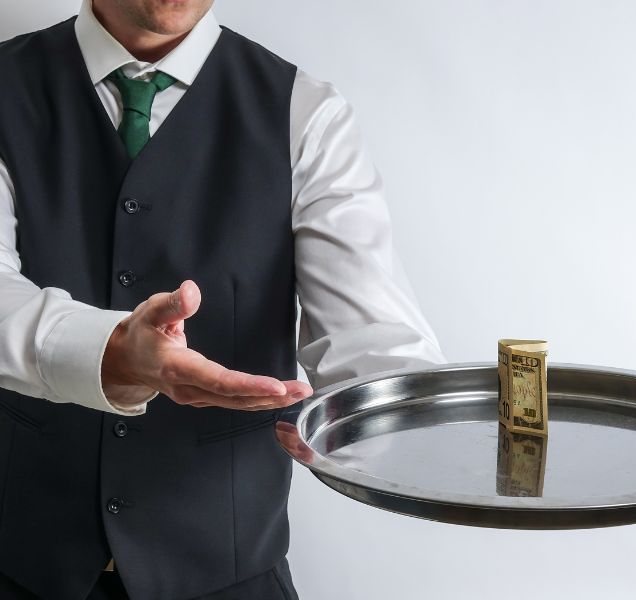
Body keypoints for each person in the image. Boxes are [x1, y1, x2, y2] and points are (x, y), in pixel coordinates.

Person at [0, 0, 446, 598]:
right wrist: (112, 353)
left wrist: (418, 428)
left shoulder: (305, 112)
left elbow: (371, 338)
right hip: (21, 566)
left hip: (228, 574)